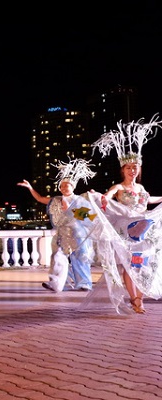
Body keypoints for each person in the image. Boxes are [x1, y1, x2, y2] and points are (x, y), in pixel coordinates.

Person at [87, 114, 162, 314]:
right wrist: (104, 196)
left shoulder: (141, 187)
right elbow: (110, 194)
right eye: (129, 168)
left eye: (135, 168)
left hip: (144, 230)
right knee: (130, 265)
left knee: (143, 265)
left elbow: (148, 200)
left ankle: (139, 297)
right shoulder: (118, 186)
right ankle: (136, 299)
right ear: (123, 170)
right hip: (128, 232)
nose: (132, 170)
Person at [17, 158, 96, 292]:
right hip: (62, 234)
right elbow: (40, 198)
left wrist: (70, 210)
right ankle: (56, 283)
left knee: (80, 258)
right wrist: (30, 187)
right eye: (62, 186)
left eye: (68, 185)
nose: (65, 188)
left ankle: (84, 283)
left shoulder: (79, 200)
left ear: (73, 187)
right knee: (57, 257)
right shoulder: (56, 200)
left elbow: (89, 218)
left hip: (78, 234)